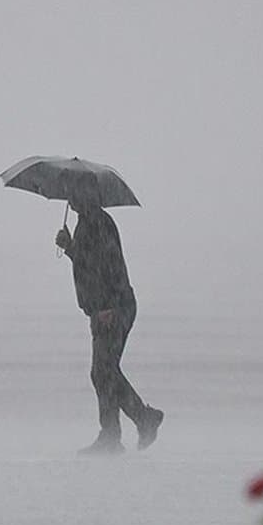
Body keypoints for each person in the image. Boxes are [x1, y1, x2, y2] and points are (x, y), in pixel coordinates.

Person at [55, 187, 163, 455]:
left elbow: (110, 265)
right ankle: (117, 433)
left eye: (74, 194)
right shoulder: (86, 222)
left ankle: (131, 425)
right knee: (103, 372)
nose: (70, 199)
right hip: (102, 309)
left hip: (114, 308)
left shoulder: (99, 222)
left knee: (103, 371)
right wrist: (69, 248)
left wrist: (108, 306)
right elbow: (88, 263)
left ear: (85, 196)